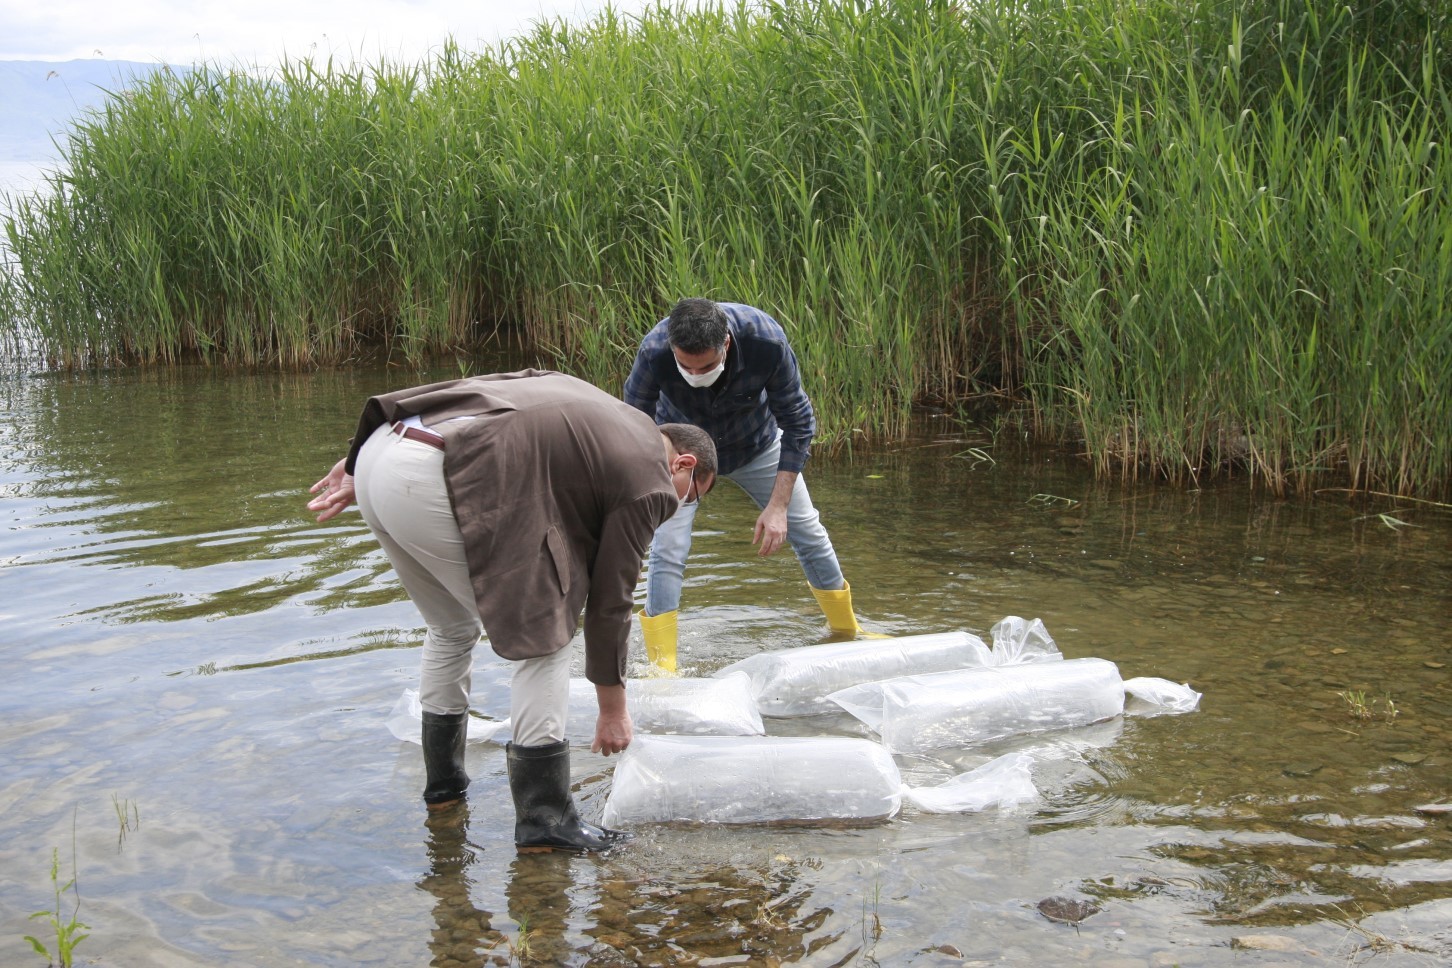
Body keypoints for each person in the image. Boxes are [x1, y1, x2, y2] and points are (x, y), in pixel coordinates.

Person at [307, 369, 716, 853]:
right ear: (683, 463)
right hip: (432, 472)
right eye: (690, 495)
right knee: (547, 639)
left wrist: (363, 459)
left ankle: (444, 792)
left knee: (451, 628)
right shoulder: (650, 478)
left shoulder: (598, 406)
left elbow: (487, 386)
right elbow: (612, 603)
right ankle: (545, 821)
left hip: (384, 449)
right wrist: (613, 711)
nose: (677, 505)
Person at [623, 298, 872, 673]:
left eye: (705, 366)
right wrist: (642, 499)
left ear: (725, 344)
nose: (695, 373)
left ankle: (847, 631)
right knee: (667, 551)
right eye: (685, 366)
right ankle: (663, 668)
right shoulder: (654, 350)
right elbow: (632, 427)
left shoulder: (765, 341)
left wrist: (778, 506)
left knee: (807, 530)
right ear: (672, 350)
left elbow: (799, 422)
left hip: (757, 445)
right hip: (681, 453)